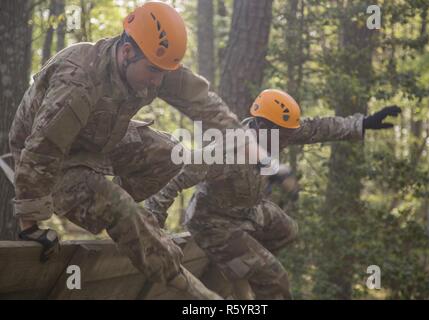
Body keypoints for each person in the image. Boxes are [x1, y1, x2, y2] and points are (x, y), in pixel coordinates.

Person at [8, 1, 249, 299]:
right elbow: (41, 150)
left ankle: (125, 220)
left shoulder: (151, 61)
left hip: (98, 136)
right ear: (126, 52)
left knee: (171, 155)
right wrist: (30, 224)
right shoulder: (77, 83)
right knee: (120, 208)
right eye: (152, 71)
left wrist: (242, 140)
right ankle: (194, 290)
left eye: (163, 73)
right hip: (53, 160)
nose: (157, 81)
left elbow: (200, 100)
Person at [146, 89, 401, 299]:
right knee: (275, 278)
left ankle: (241, 269)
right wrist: (153, 226)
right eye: (281, 135)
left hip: (247, 210)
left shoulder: (278, 133)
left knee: (287, 230)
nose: (285, 141)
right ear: (261, 125)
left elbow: (317, 128)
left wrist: (363, 123)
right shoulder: (225, 150)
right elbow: (173, 178)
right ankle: (248, 274)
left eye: (288, 134)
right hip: (213, 223)